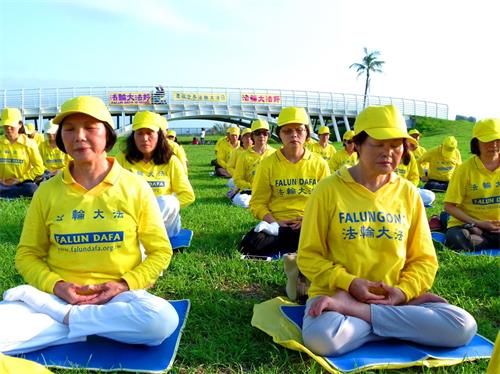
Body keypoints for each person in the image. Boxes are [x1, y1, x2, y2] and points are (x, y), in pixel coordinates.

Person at [0, 96, 179, 355]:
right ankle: (82, 321)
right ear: (61, 138)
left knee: (161, 321)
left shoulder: (134, 187)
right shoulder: (47, 192)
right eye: (70, 129)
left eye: (90, 128)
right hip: (57, 295)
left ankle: (65, 319)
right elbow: (28, 254)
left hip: (119, 296)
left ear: (107, 134)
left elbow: (160, 251)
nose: (79, 137)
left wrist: (124, 284)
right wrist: (57, 285)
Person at [296, 105, 477, 357]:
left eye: (395, 145)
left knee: (464, 326)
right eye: (378, 144)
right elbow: (308, 256)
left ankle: (360, 313)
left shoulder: (409, 194)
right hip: (335, 297)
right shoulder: (328, 190)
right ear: (358, 144)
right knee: (324, 339)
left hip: (392, 298)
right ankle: (398, 322)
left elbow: (424, 260)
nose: (388, 153)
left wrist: (404, 291)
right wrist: (349, 283)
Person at [239, 107, 330, 257]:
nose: (294, 135)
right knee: (252, 244)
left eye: (299, 130)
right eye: (287, 131)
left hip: (310, 222)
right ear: (279, 135)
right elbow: (257, 203)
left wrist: (308, 219)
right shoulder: (267, 164)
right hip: (278, 223)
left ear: (307, 134)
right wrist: (274, 221)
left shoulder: (319, 164)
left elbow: (327, 203)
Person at [117, 111, 195, 238]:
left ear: (159, 135)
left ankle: (141, 238)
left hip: (164, 223)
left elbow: (187, 195)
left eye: (149, 133)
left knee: (169, 201)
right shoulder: (122, 159)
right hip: (133, 215)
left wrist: (154, 209)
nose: (145, 138)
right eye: (140, 133)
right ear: (133, 136)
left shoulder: (170, 161)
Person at [444, 118, 500, 251]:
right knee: (456, 240)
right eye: (487, 140)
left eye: (497, 140)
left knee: (471, 241)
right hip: (467, 223)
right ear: (476, 143)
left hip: (496, 226)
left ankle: (482, 238)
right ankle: (483, 236)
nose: (494, 145)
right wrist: (478, 223)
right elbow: (449, 206)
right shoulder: (464, 169)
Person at [0, 108, 45, 198]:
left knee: (31, 188)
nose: (8, 128)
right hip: (1, 182)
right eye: (6, 125)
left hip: (21, 183)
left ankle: (6, 195)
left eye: (11, 125)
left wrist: (19, 179)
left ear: (20, 125)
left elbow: (39, 168)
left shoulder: (29, 144)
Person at [232, 119, 275, 208]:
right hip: (250, 191)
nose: (261, 136)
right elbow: (237, 179)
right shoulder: (244, 155)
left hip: (270, 191)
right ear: (253, 136)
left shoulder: (275, 154)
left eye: (264, 133)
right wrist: (252, 186)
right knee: (243, 201)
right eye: (258, 133)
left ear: (268, 135)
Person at [226, 127, 253, 194]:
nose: (248, 139)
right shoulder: (237, 152)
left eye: (250, 137)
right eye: (246, 136)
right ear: (241, 139)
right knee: (231, 182)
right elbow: (230, 167)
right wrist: (237, 174)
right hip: (239, 177)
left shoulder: (257, 151)